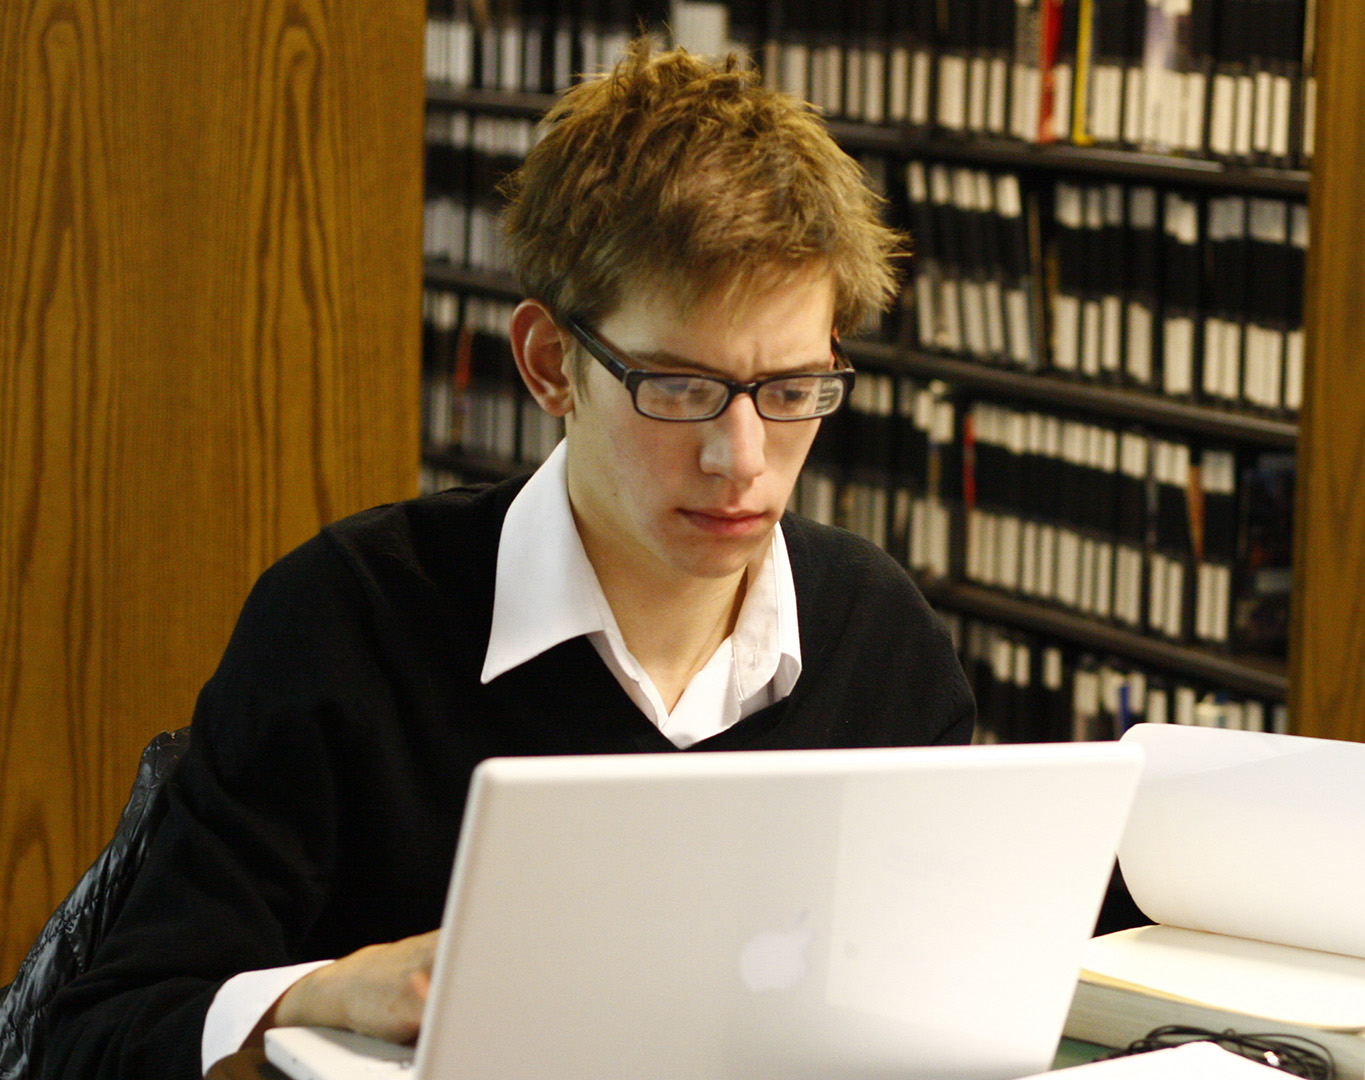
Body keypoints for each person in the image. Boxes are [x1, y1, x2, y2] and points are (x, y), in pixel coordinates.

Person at [43, 35, 974, 1079]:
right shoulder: (348, 621)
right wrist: (317, 996)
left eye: (792, 391)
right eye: (679, 388)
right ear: (548, 364)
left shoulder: (880, 637)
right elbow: (97, 1037)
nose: (742, 460)